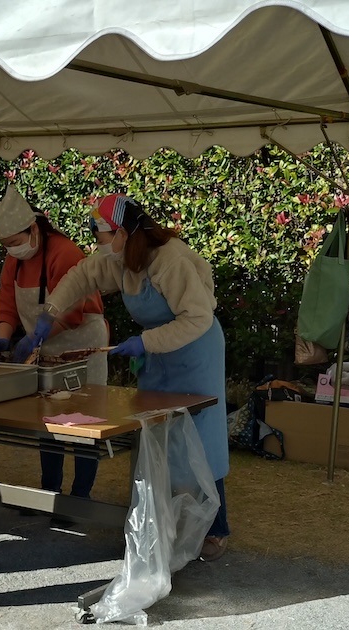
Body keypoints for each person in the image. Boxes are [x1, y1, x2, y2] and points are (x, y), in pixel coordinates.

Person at [37, 194, 231, 561]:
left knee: (199, 440)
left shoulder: (170, 260)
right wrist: (50, 312)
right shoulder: (119, 259)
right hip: (157, 353)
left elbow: (197, 318)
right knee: (157, 435)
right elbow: (82, 275)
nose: (98, 244)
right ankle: (163, 524)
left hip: (194, 352)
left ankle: (216, 528)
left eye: (101, 236)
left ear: (123, 233)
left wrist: (145, 342)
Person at [0, 186, 108, 500]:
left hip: (83, 342)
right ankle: (50, 492)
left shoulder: (64, 252)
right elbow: (7, 303)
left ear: (33, 229)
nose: (12, 250)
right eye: (6, 245)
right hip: (45, 346)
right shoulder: (13, 261)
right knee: (48, 421)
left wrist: (34, 336)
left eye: (15, 242)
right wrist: (4, 336)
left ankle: (80, 497)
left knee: (84, 422)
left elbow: (72, 310)